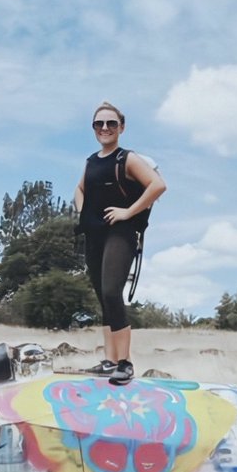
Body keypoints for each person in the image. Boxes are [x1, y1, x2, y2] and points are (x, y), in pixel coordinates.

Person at [74, 101, 166, 383]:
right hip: (95, 234)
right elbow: (80, 189)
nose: (105, 128)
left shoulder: (127, 159)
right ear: (93, 128)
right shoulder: (91, 161)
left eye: (111, 123)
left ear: (121, 128)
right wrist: (84, 214)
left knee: (112, 292)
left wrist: (127, 212)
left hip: (121, 233)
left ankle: (125, 363)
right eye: (99, 124)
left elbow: (157, 185)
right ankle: (110, 361)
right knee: (103, 297)